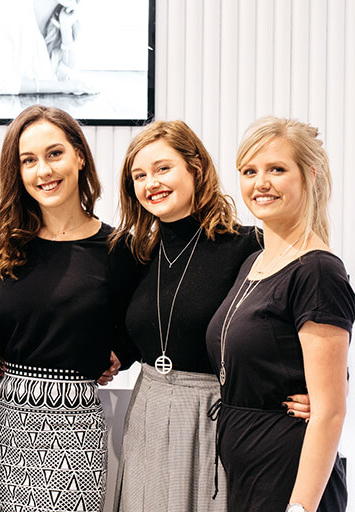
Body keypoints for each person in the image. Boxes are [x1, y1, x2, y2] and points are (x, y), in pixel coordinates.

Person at [110, 120, 310, 511]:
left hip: (214, 414)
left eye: (163, 168)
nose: (151, 182)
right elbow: (136, 332)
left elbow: (306, 309)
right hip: (147, 408)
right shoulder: (137, 254)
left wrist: (322, 388)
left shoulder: (249, 246)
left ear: (196, 168)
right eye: (139, 175)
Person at [0, 105, 136, 512]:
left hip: (75, 428)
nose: (43, 171)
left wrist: (120, 353)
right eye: (28, 161)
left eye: (55, 154)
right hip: (5, 421)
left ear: (80, 156)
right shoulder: (2, 238)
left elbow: (142, 323)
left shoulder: (118, 248)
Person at [205, 116, 354, 512]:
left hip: (288, 475)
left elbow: (330, 411)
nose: (260, 183)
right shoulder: (254, 261)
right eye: (249, 171)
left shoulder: (318, 270)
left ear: (310, 174)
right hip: (248, 471)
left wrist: (300, 507)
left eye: (276, 169)